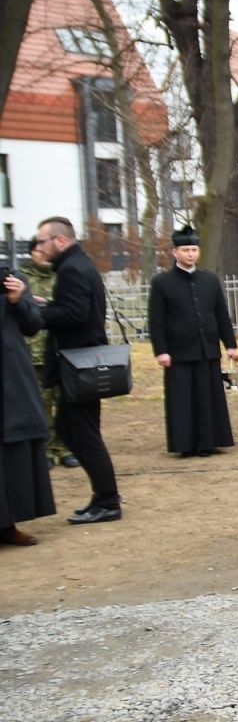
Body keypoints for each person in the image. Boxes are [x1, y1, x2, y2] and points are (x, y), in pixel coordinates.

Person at [33, 217, 123, 525]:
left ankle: (108, 501)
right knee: (72, 432)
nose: (37, 248)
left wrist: (38, 312)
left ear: (60, 241)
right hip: (81, 364)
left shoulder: (72, 269)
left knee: (84, 437)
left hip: (79, 366)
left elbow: (74, 314)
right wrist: (49, 304)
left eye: (41, 242)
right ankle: (102, 497)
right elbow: (76, 309)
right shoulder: (80, 265)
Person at [148, 225, 238, 457]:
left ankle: (209, 441)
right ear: (175, 252)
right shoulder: (162, 282)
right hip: (178, 351)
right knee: (182, 399)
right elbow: (156, 320)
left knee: (210, 397)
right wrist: (161, 350)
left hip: (207, 348)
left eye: (194, 249)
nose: (190, 254)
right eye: (186, 250)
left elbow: (221, 315)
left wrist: (230, 344)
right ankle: (185, 444)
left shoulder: (210, 279)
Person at [1, 265, 54, 545]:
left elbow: (33, 325)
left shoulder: (13, 279)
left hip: (11, 376)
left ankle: (7, 523)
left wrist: (17, 300)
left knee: (12, 448)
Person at [19, 240, 71, 467]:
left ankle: (66, 447)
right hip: (32, 352)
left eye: (44, 250)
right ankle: (46, 449)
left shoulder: (64, 276)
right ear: (31, 253)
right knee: (40, 404)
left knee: (65, 403)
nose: (41, 254)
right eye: (36, 251)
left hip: (60, 351)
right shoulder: (21, 279)